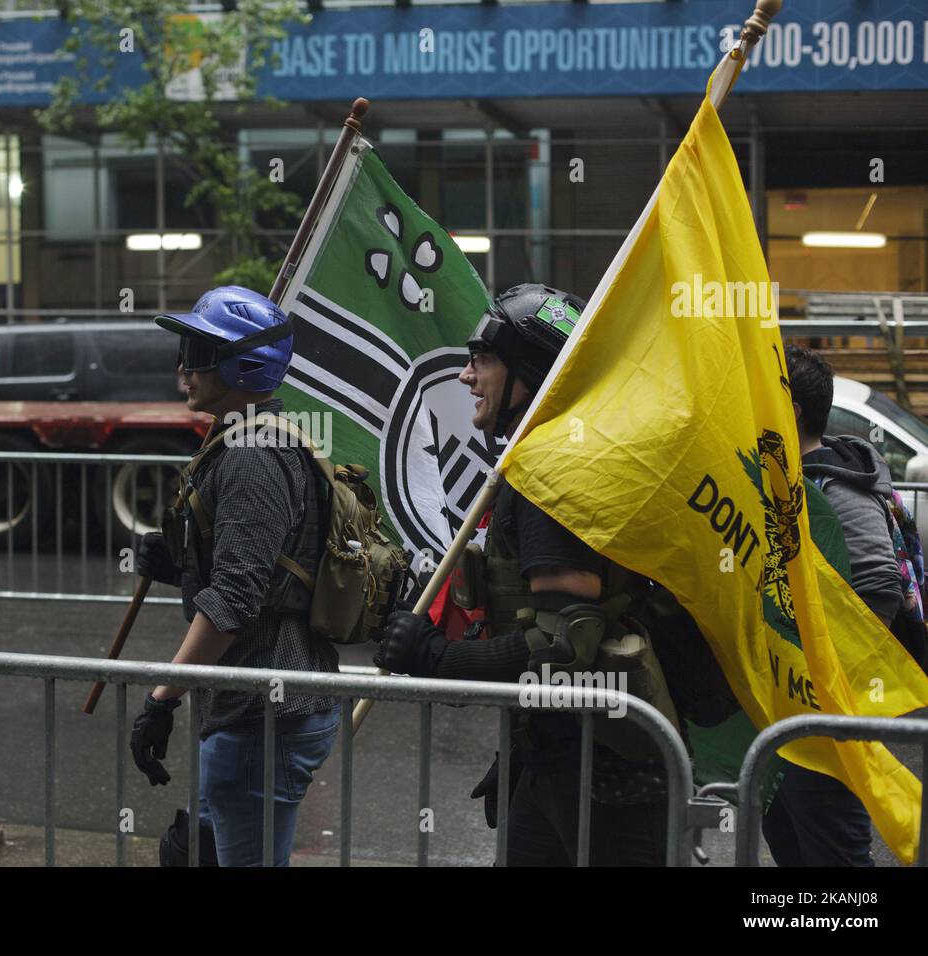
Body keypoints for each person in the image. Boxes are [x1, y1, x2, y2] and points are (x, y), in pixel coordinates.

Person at [373, 283, 686, 866]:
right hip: (556, 751)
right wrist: (521, 753)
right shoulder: (550, 458)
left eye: (482, 360)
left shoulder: (555, 474)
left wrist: (437, 659)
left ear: (530, 373)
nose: (467, 376)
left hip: (606, 770)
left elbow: (567, 642)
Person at [129, 285, 340, 867]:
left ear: (240, 363)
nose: (182, 368)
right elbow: (265, 571)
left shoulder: (252, 452)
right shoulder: (247, 438)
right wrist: (180, 567)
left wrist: (162, 697)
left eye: (197, 352)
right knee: (196, 851)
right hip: (251, 707)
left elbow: (236, 601)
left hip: (262, 716)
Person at [761, 346, 906, 867]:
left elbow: (880, 589)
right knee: (790, 842)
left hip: (825, 713)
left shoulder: (837, 489)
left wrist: (825, 676)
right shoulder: (783, 481)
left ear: (791, 409)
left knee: (835, 853)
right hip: (784, 709)